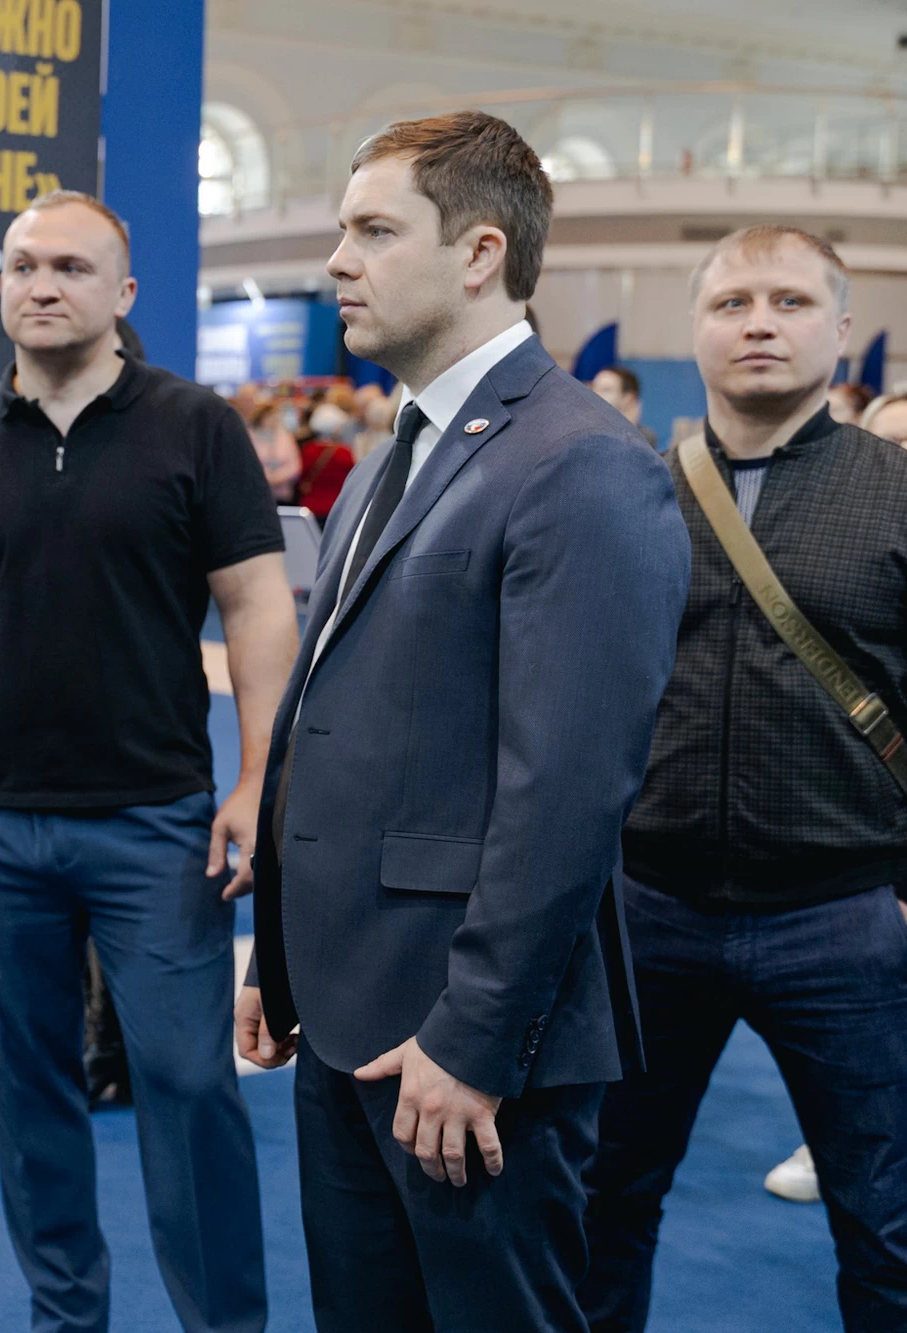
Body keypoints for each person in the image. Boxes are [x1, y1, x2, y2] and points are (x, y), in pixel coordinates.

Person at [233, 110, 689, 1333]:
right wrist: (278, 954)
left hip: (466, 1042)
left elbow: (566, 792)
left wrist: (476, 1037)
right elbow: (339, 725)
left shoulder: (579, 462)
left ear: (480, 252)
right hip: (344, 1009)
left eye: (373, 232)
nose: (337, 261)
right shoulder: (401, 451)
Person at [0, 189, 299, 1333]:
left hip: (154, 822)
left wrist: (258, 778)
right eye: (22, 265)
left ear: (122, 292)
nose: (41, 284)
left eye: (69, 266)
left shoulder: (194, 427)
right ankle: (65, 1317)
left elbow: (256, 607)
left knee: (189, 1085)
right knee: (27, 1097)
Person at [582, 225, 907, 1333]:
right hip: (648, 912)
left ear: (841, 329)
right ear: (696, 329)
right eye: (731, 303)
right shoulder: (631, 493)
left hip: (846, 917)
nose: (758, 323)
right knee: (602, 1203)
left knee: (887, 1226)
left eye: (788, 301)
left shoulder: (893, 490)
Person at [592, 364, 661, 448]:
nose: (595, 394)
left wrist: (629, 429)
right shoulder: (582, 431)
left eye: (606, 390)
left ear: (628, 398)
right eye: (592, 388)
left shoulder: (645, 437)